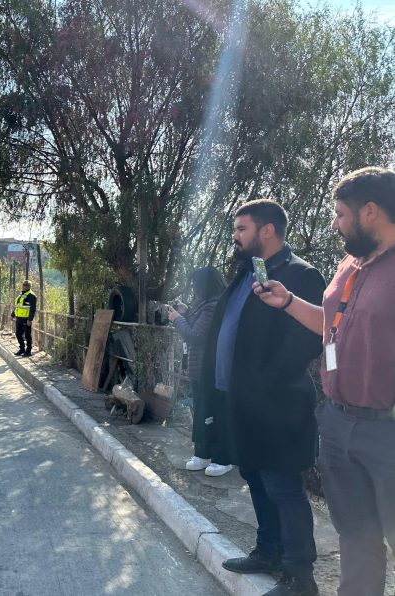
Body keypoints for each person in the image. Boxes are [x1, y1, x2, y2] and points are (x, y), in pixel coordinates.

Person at [254, 167, 395, 596]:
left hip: (386, 432)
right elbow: (332, 327)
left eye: (340, 215)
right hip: (337, 424)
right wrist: (289, 302)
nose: (333, 224)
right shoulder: (349, 265)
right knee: (355, 536)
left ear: (370, 211)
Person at [200, 199, 325, 596]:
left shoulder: (302, 275)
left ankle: (299, 576)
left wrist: (265, 383)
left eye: (241, 229)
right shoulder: (245, 274)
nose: (235, 237)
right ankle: (268, 551)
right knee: (254, 477)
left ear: (266, 230)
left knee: (284, 487)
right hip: (240, 402)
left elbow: (306, 340)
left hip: (278, 406)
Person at [167, 266, 230, 477]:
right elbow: (198, 325)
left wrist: (177, 318)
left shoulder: (214, 305)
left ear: (205, 285)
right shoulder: (207, 304)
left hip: (210, 368)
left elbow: (195, 335)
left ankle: (223, 458)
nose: (195, 289)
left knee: (213, 413)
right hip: (201, 368)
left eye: (196, 285)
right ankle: (203, 454)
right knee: (202, 411)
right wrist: (186, 312)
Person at [10, 279, 37, 357]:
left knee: (27, 335)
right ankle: (22, 349)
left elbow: (33, 309)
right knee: (18, 334)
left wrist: (30, 319)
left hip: (26, 319)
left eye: (24, 285)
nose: (22, 286)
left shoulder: (31, 295)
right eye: (22, 285)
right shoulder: (21, 295)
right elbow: (18, 306)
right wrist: (12, 314)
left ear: (28, 286)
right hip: (19, 318)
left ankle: (28, 351)